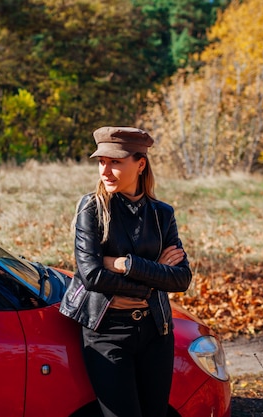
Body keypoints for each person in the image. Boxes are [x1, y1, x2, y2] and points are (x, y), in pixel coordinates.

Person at [59, 126, 192, 417]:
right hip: (107, 331)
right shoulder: (91, 208)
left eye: (115, 162)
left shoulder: (162, 214)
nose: (104, 171)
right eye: (101, 162)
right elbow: (92, 275)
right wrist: (151, 284)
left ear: (140, 163)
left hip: (156, 331)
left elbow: (182, 278)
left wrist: (125, 264)